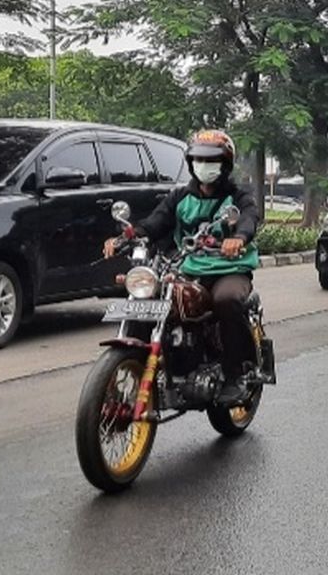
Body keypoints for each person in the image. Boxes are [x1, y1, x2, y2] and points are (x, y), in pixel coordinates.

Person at [104, 129, 260, 405]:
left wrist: (238, 238)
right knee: (153, 297)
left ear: (225, 165)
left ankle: (236, 373)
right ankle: (147, 365)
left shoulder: (237, 196)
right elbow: (154, 223)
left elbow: (249, 218)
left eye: (212, 161)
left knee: (226, 300)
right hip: (190, 267)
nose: (204, 166)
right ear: (191, 163)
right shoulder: (179, 197)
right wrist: (124, 237)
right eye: (199, 160)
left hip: (229, 269)